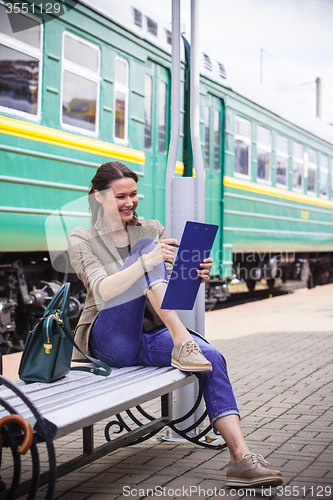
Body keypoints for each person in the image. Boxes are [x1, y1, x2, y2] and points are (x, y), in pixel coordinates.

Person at [68, 161, 283, 488]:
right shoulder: (81, 237)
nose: (129, 202)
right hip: (108, 339)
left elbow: (169, 293)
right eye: (120, 196)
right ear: (98, 196)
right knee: (145, 249)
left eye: (134, 195)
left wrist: (194, 276)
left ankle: (240, 458)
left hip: (151, 335)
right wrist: (145, 261)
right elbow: (103, 289)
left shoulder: (151, 228)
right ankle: (184, 342)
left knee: (213, 358)